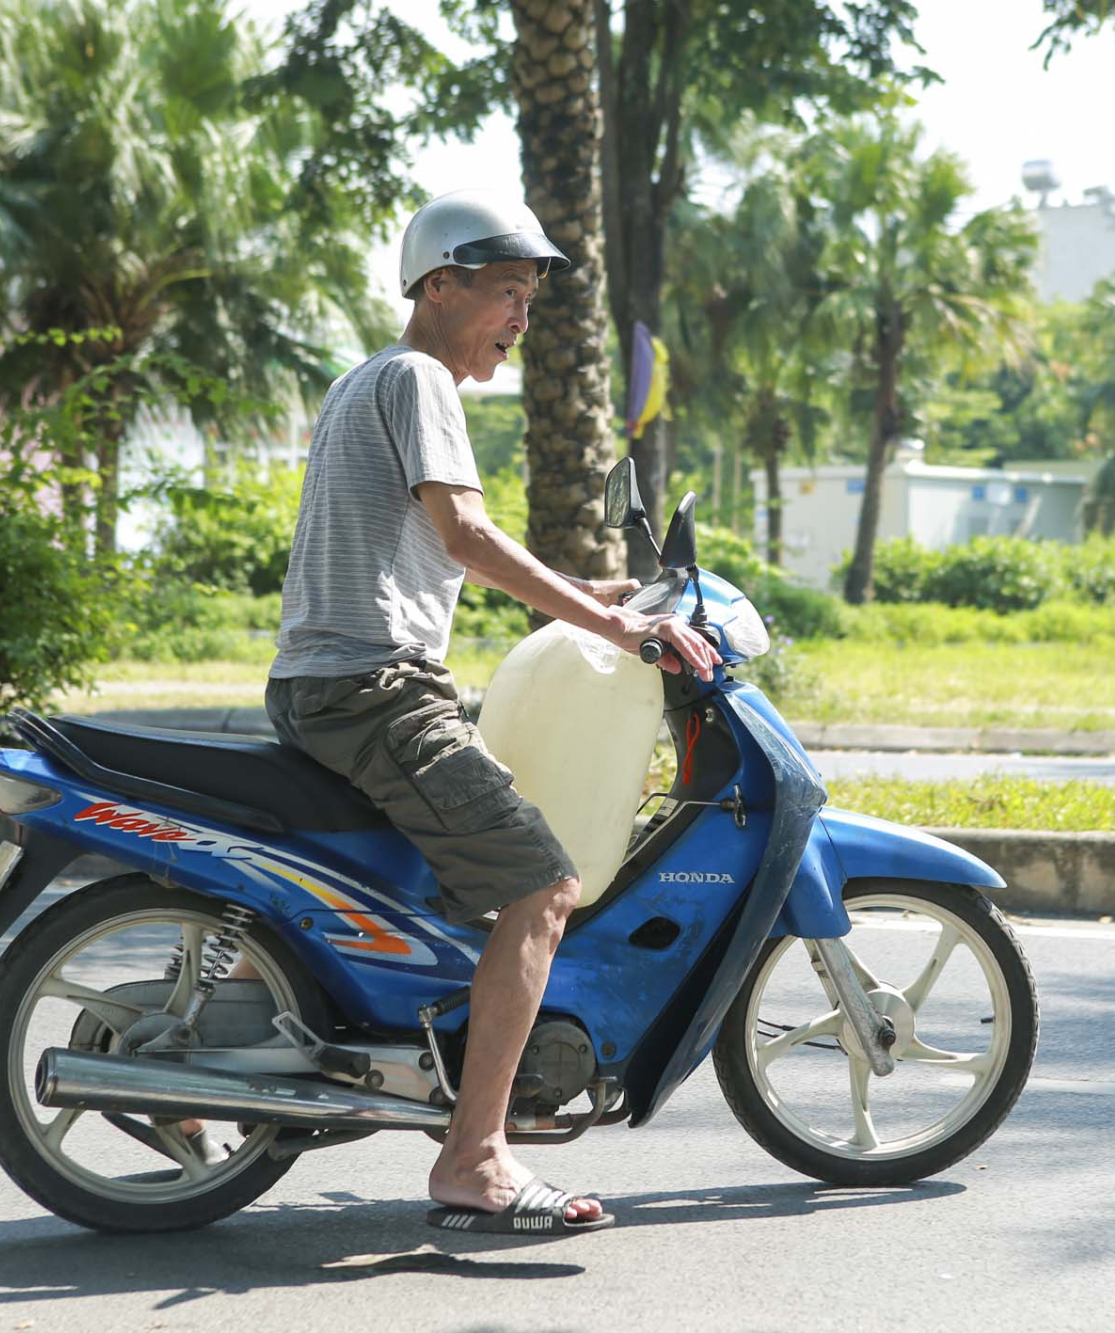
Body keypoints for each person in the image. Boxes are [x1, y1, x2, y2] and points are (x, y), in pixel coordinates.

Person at [263, 189, 721, 1236]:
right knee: (541, 883)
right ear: (439, 286)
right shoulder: (419, 375)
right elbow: (465, 536)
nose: (520, 318)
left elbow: (449, 540)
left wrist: (589, 592)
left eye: (526, 298)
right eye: (506, 293)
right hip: (375, 687)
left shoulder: (367, 381)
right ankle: (473, 1157)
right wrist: (627, 633)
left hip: (328, 683)